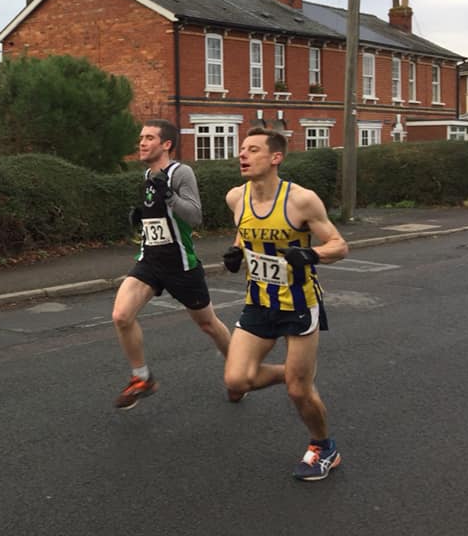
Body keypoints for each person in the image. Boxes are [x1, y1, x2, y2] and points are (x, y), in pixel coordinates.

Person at [222, 127, 349, 481]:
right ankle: (295, 374)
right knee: (236, 380)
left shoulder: (301, 200)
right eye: (242, 149)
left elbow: (340, 245)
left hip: (298, 304)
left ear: (275, 157)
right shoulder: (236, 197)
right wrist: (236, 251)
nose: (242, 155)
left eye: (253, 150)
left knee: (298, 391)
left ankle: (324, 447)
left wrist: (310, 253)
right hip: (258, 301)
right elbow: (245, 231)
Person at [111, 119, 232, 409]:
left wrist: (169, 194)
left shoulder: (181, 172)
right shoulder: (146, 175)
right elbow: (163, 217)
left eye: (149, 137)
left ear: (166, 144)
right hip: (150, 260)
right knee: (121, 316)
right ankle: (142, 377)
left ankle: (236, 368)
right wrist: (142, 216)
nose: (142, 142)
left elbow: (194, 216)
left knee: (208, 324)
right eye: (141, 137)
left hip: (180, 264)